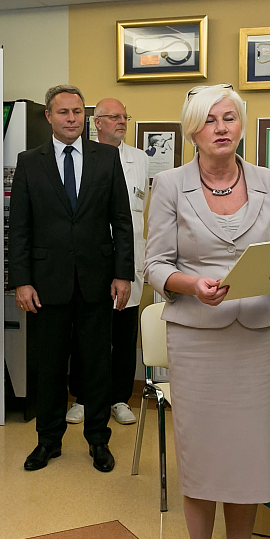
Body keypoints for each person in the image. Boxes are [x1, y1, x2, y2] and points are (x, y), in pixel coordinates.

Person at [144, 84, 270, 539]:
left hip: (255, 336)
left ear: (241, 125)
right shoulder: (170, 185)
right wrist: (192, 283)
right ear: (193, 130)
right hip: (198, 338)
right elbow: (154, 265)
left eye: (229, 118)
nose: (221, 127)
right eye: (210, 119)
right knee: (204, 461)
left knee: (248, 462)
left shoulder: (269, 181)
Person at [8, 85, 134, 473]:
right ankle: (48, 441)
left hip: (98, 280)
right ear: (49, 116)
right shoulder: (30, 161)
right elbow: (20, 227)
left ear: (85, 116)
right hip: (46, 284)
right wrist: (21, 280)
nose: (71, 118)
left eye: (77, 112)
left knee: (96, 365)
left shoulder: (107, 158)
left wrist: (123, 273)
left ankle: (98, 440)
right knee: (49, 367)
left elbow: (122, 221)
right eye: (63, 112)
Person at [66, 98, 149, 426]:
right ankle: (83, 397)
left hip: (129, 260)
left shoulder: (140, 160)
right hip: (92, 262)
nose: (122, 122)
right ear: (97, 122)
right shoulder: (81, 156)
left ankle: (119, 398)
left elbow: (137, 213)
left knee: (124, 334)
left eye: (125, 116)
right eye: (114, 117)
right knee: (86, 333)